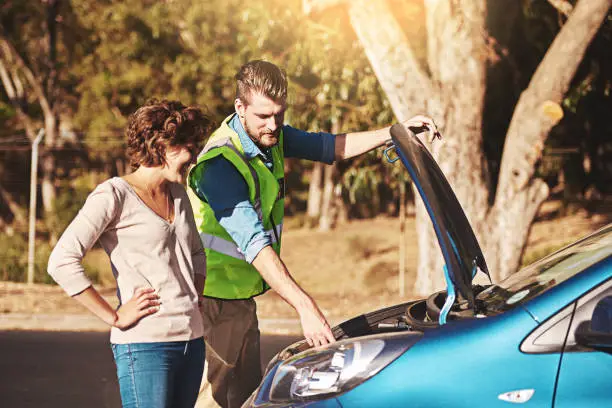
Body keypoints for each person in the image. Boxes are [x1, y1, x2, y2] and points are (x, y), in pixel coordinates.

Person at [187, 60, 438, 408]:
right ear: (239, 108)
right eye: (263, 116)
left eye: (280, 113)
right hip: (213, 300)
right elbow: (254, 244)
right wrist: (305, 306)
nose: (273, 124)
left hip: (240, 298)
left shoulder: (268, 136)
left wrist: (394, 132)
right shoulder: (220, 164)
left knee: (250, 397)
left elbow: (329, 146)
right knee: (211, 400)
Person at [47, 99, 213, 408]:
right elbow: (61, 261)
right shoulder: (114, 194)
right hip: (146, 346)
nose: (194, 155)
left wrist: (195, 296)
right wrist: (114, 316)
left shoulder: (179, 194)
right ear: (164, 145)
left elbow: (197, 254)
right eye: (189, 146)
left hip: (191, 343)